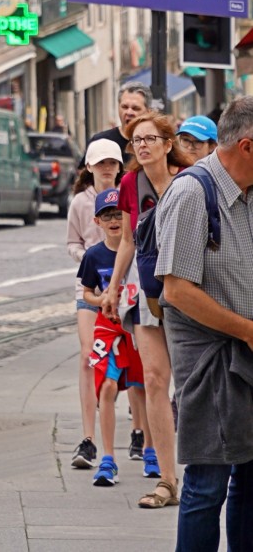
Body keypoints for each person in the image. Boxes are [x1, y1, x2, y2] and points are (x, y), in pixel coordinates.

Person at [155, 96, 253, 551]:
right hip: (211, 358)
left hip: (247, 355)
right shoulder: (193, 192)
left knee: (250, 480)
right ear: (248, 146)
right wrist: (249, 331)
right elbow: (176, 290)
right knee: (208, 481)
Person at [101, 111, 190, 510]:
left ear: (168, 144)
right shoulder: (129, 184)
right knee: (154, 379)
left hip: (190, 293)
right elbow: (129, 241)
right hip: (147, 292)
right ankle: (167, 481)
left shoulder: (190, 182)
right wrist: (114, 287)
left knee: (189, 386)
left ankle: (203, 472)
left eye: (150, 138)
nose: (142, 145)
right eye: (136, 140)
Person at [67, 138, 137, 469]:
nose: (107, 168)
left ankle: (139, 430)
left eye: (112, 162)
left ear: (119, 166)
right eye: (100, 163)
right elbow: (72, 242)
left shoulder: (130, 192)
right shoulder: (81, 202)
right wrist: (91, 260)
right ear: (89, 167)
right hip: (92, 288)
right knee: (88, 357)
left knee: (135, 361)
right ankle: (88, 438)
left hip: (126, 290)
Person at [78, 189, 148, 488]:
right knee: (106, 387)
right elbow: (86, 294)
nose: (114, 220)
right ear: (97, 221)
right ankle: (107, 458)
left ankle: (150, 449)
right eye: (107, 216)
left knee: (142, 386)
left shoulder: (141, 249)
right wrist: (102, 299)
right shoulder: (93, 256)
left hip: (136, 326)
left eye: (119, 214)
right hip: (107, 329)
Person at [85, 84, 151, 163]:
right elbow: (84, 173)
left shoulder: (156, 144)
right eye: (124, 107)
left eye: (135, 108)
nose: (129, 112)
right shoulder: (100, 141)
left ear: (148, 112)